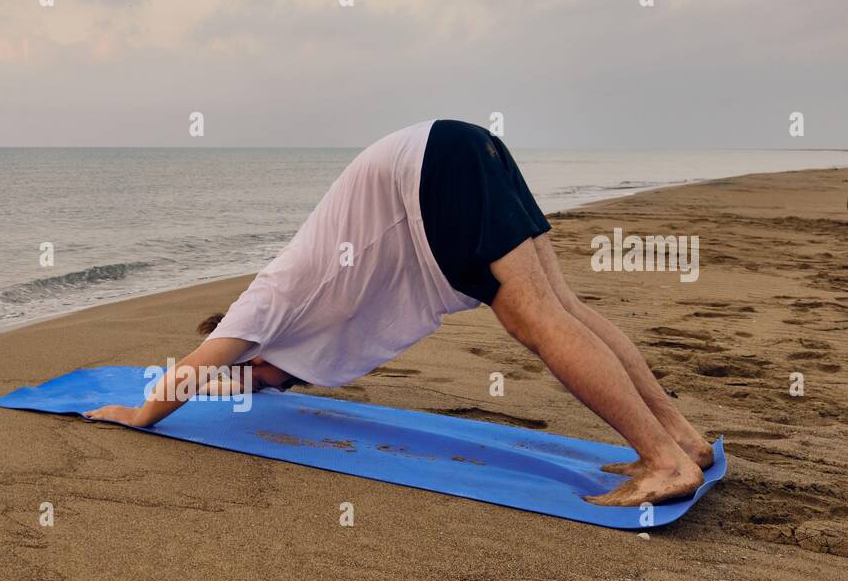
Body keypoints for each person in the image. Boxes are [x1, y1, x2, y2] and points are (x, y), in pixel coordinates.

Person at [85, 119, 712, 507]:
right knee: (562, 307)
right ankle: (682, 440)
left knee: (535, 321)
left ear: (252, 347)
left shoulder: (268, 302)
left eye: (250, 372)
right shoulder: (298, 321)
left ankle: (663, 462)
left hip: (429, 173)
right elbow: (245, 373)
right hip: (458, 147)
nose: (255, 381)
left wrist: (139, 414)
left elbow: (197, 367)